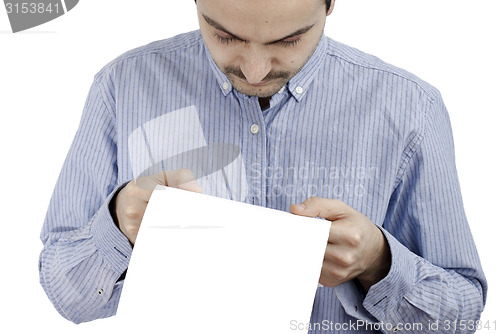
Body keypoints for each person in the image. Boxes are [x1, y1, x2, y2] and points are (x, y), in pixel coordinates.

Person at [39, 0, 487, 332]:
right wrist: (118, 225)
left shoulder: (410, 108)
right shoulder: (122, 87)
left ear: (330, 5)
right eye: (225, 36)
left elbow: (462, 314)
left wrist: (376, 261)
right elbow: (66, 296)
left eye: (287, 41)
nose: (254, 71)